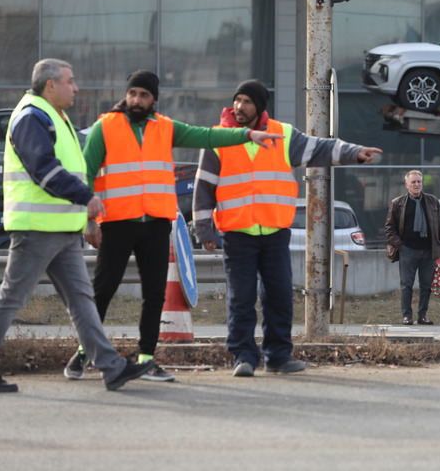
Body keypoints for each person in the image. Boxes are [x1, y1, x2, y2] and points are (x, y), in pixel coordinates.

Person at [64, 70, 283, 382]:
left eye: (143, 95)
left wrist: (246, 134)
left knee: (155, 295)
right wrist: (87, 221)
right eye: (132, 94)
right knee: (102, 292)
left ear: (154, 100)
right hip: (117, 224)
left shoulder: (164, 128)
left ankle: (146, 360)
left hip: (155, 224)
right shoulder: (105, 127)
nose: (136, 100)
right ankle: (85, 353)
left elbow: (208, 136)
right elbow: (84, 173)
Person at [0, 58, 155, 392]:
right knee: (12, 298)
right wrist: (85, 197)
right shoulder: (32, 116)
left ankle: (111, 367)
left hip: (61, 228)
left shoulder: (54, 116)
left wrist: (85, 217)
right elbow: (43, 168)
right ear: (51, 85)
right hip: (38, 229)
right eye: (70, 81)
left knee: (81, 299)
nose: (76, 88)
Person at [193, 79, 382, 377]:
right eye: (237, 101)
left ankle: (278, 356)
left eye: (247, 102)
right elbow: (204, 188)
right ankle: (243, 357)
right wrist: (203, 229)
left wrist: (353, 152)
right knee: (241, 299)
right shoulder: (219, 138)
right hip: (237, 233)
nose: (240, 107)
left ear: (260, 107)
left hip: (275, 233)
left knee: (279, 296)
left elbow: (320, 148)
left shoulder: (282, 135)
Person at [384, 170, 440, 326]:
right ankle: (407, 316)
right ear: (407, 185)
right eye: (413, 182)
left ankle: (422, 315)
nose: (417, 184)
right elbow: (389, 228)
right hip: (408, 250)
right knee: (406, 284)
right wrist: (400, 245)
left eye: (419, 181)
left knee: (426, 285)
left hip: (429, 250)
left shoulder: (432, 201)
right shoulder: (397, 203)